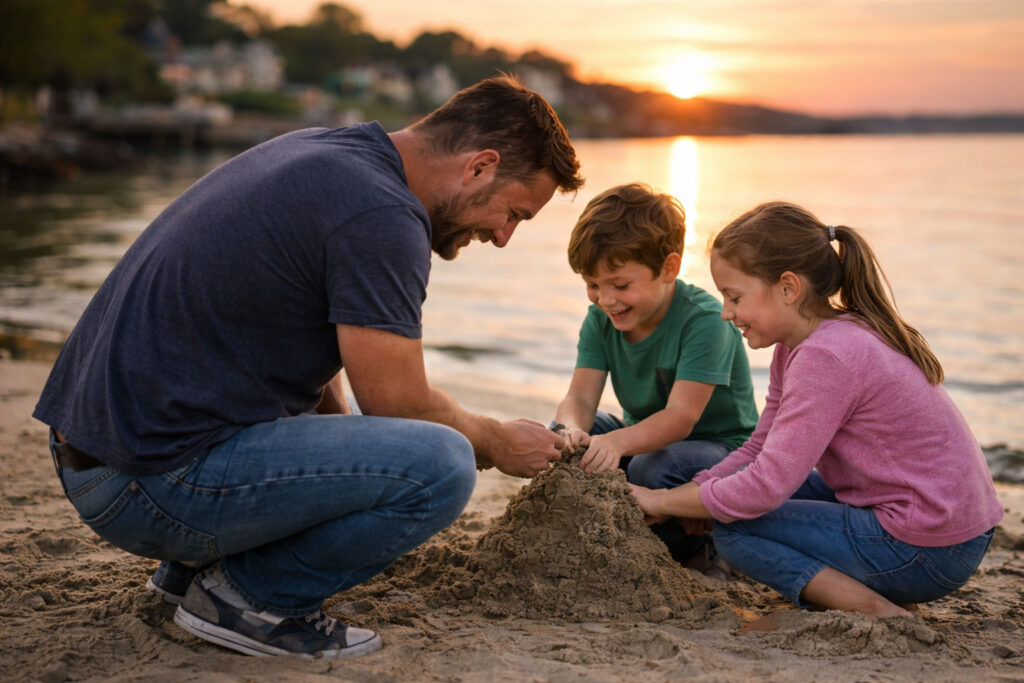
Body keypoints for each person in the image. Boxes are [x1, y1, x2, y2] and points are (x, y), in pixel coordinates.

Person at [33, 75, 584, 659]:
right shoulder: (383, 214)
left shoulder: (327, 154)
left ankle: (192, 573)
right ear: (480, 166)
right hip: (148, 484)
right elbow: (399, 404)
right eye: (515, 213)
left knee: (374, 440)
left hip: (98, 452)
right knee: (443, 465)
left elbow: (319, 346)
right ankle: (249, 601)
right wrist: (498, 441)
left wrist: (344, 457)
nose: (503, 238)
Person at [629, 200, 1002, 618]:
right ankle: (877, 593)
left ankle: (878, 610)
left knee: (734, 529)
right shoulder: (800, 347)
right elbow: (759, 450)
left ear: (788, 288)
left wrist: (662, 502)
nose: (725, 312)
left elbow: (766, 485)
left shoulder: (826, 357)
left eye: (734, 296)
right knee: (732, 503)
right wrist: (697, 490)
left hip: (928, 547)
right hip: (940, 526)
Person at [553, 183, 758, 563]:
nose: (605, 299)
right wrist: (570, 432)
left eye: (620, 285)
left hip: (721, 450)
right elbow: (580, 397)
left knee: (655, 465)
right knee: (570, 437)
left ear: (668, 268)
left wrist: (615, 445)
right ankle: (591, 538)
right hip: (647, 440)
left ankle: (699, 547)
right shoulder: (601, 317)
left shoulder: (705, 320)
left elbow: (680, 419)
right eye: (592, 285)